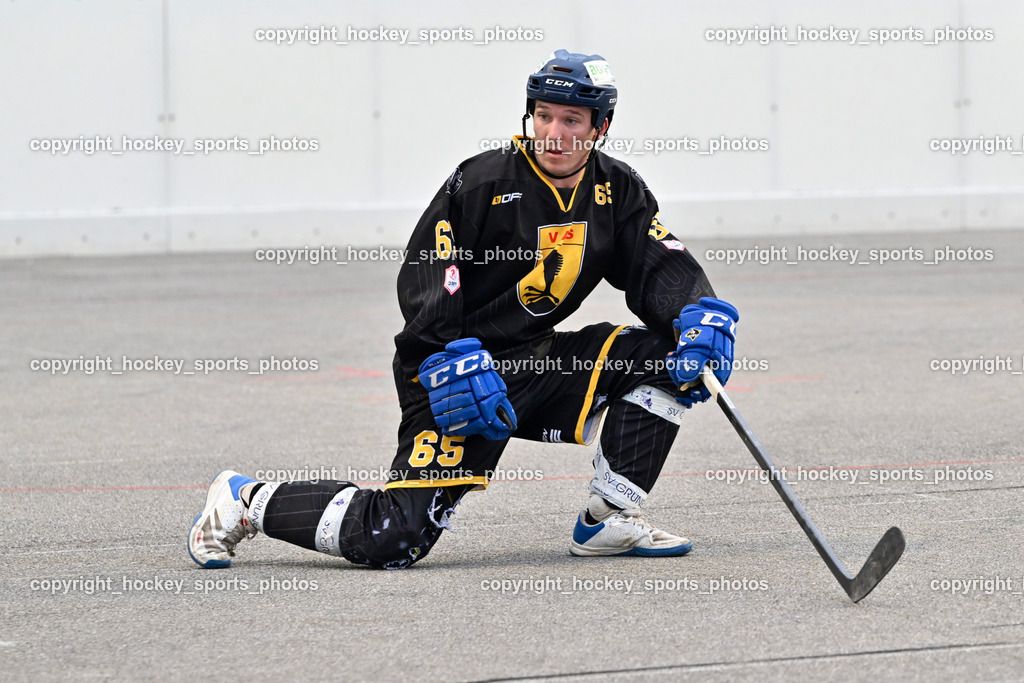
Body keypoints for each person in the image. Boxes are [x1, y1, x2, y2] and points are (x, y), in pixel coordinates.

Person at [187, 49, 739, 570]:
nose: (553, 133)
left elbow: (661, 263)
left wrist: (696, 314)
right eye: (543, 116)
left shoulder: (617, 189)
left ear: (601, 127)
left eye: (572, 120)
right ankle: (245, 500)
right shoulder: (482, 181)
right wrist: (447, 356)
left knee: (674, 355)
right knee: (394, 538)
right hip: (453, 368)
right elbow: (430, 272)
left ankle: (608, 517)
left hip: (537, 359)